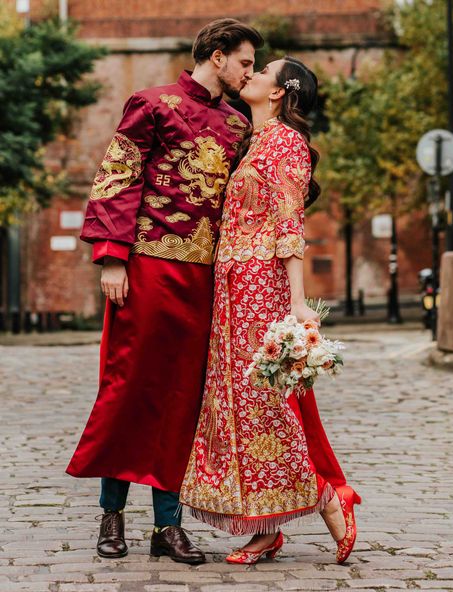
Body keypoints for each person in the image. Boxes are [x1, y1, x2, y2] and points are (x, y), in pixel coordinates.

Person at [66, 18, 263, 564]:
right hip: (148, 269)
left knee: (184, 399)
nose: (248, 72)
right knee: (129, 390)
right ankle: (111, 516)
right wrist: (112, 258)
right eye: (244, 61)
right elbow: (118, 177)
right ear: (218, 55)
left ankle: (167, 527)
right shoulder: (152, 103)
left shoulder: (236, 122)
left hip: (204, 279)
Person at [180, 56, 362, 565]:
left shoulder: (286, 143)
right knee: (234, 407)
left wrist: (298, 301)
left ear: (280, 92)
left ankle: (328, 498)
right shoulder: (253, 141)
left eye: (262, 72)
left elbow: (288, 225)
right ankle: (265, 528)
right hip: (231, 288)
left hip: (261, 287)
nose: (252, 75)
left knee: (267, 405)